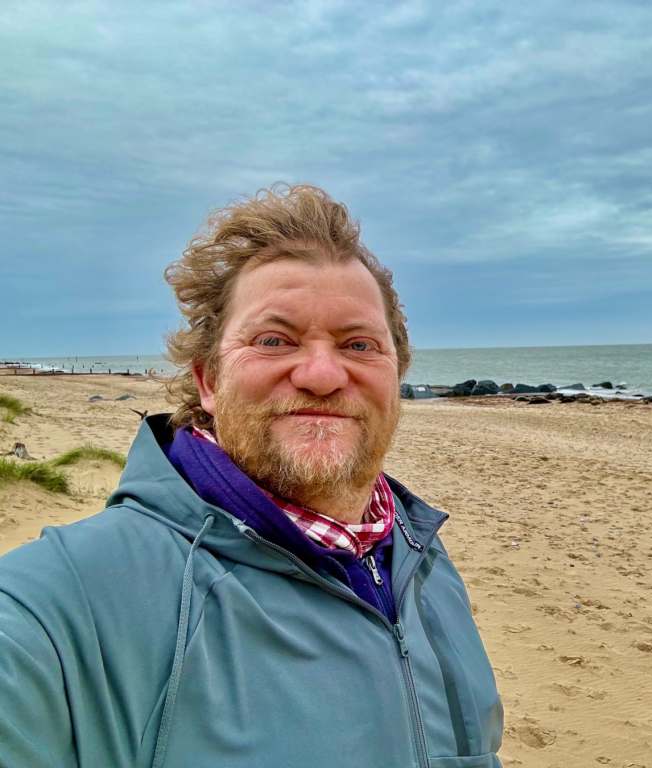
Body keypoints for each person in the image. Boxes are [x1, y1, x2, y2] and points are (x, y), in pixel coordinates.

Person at [0, 185, 504, 767]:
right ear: (209, 381)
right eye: (274, 340)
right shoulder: (65, 602)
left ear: (396, 376)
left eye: (359, 344)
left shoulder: (422, 560)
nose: (320, 374)